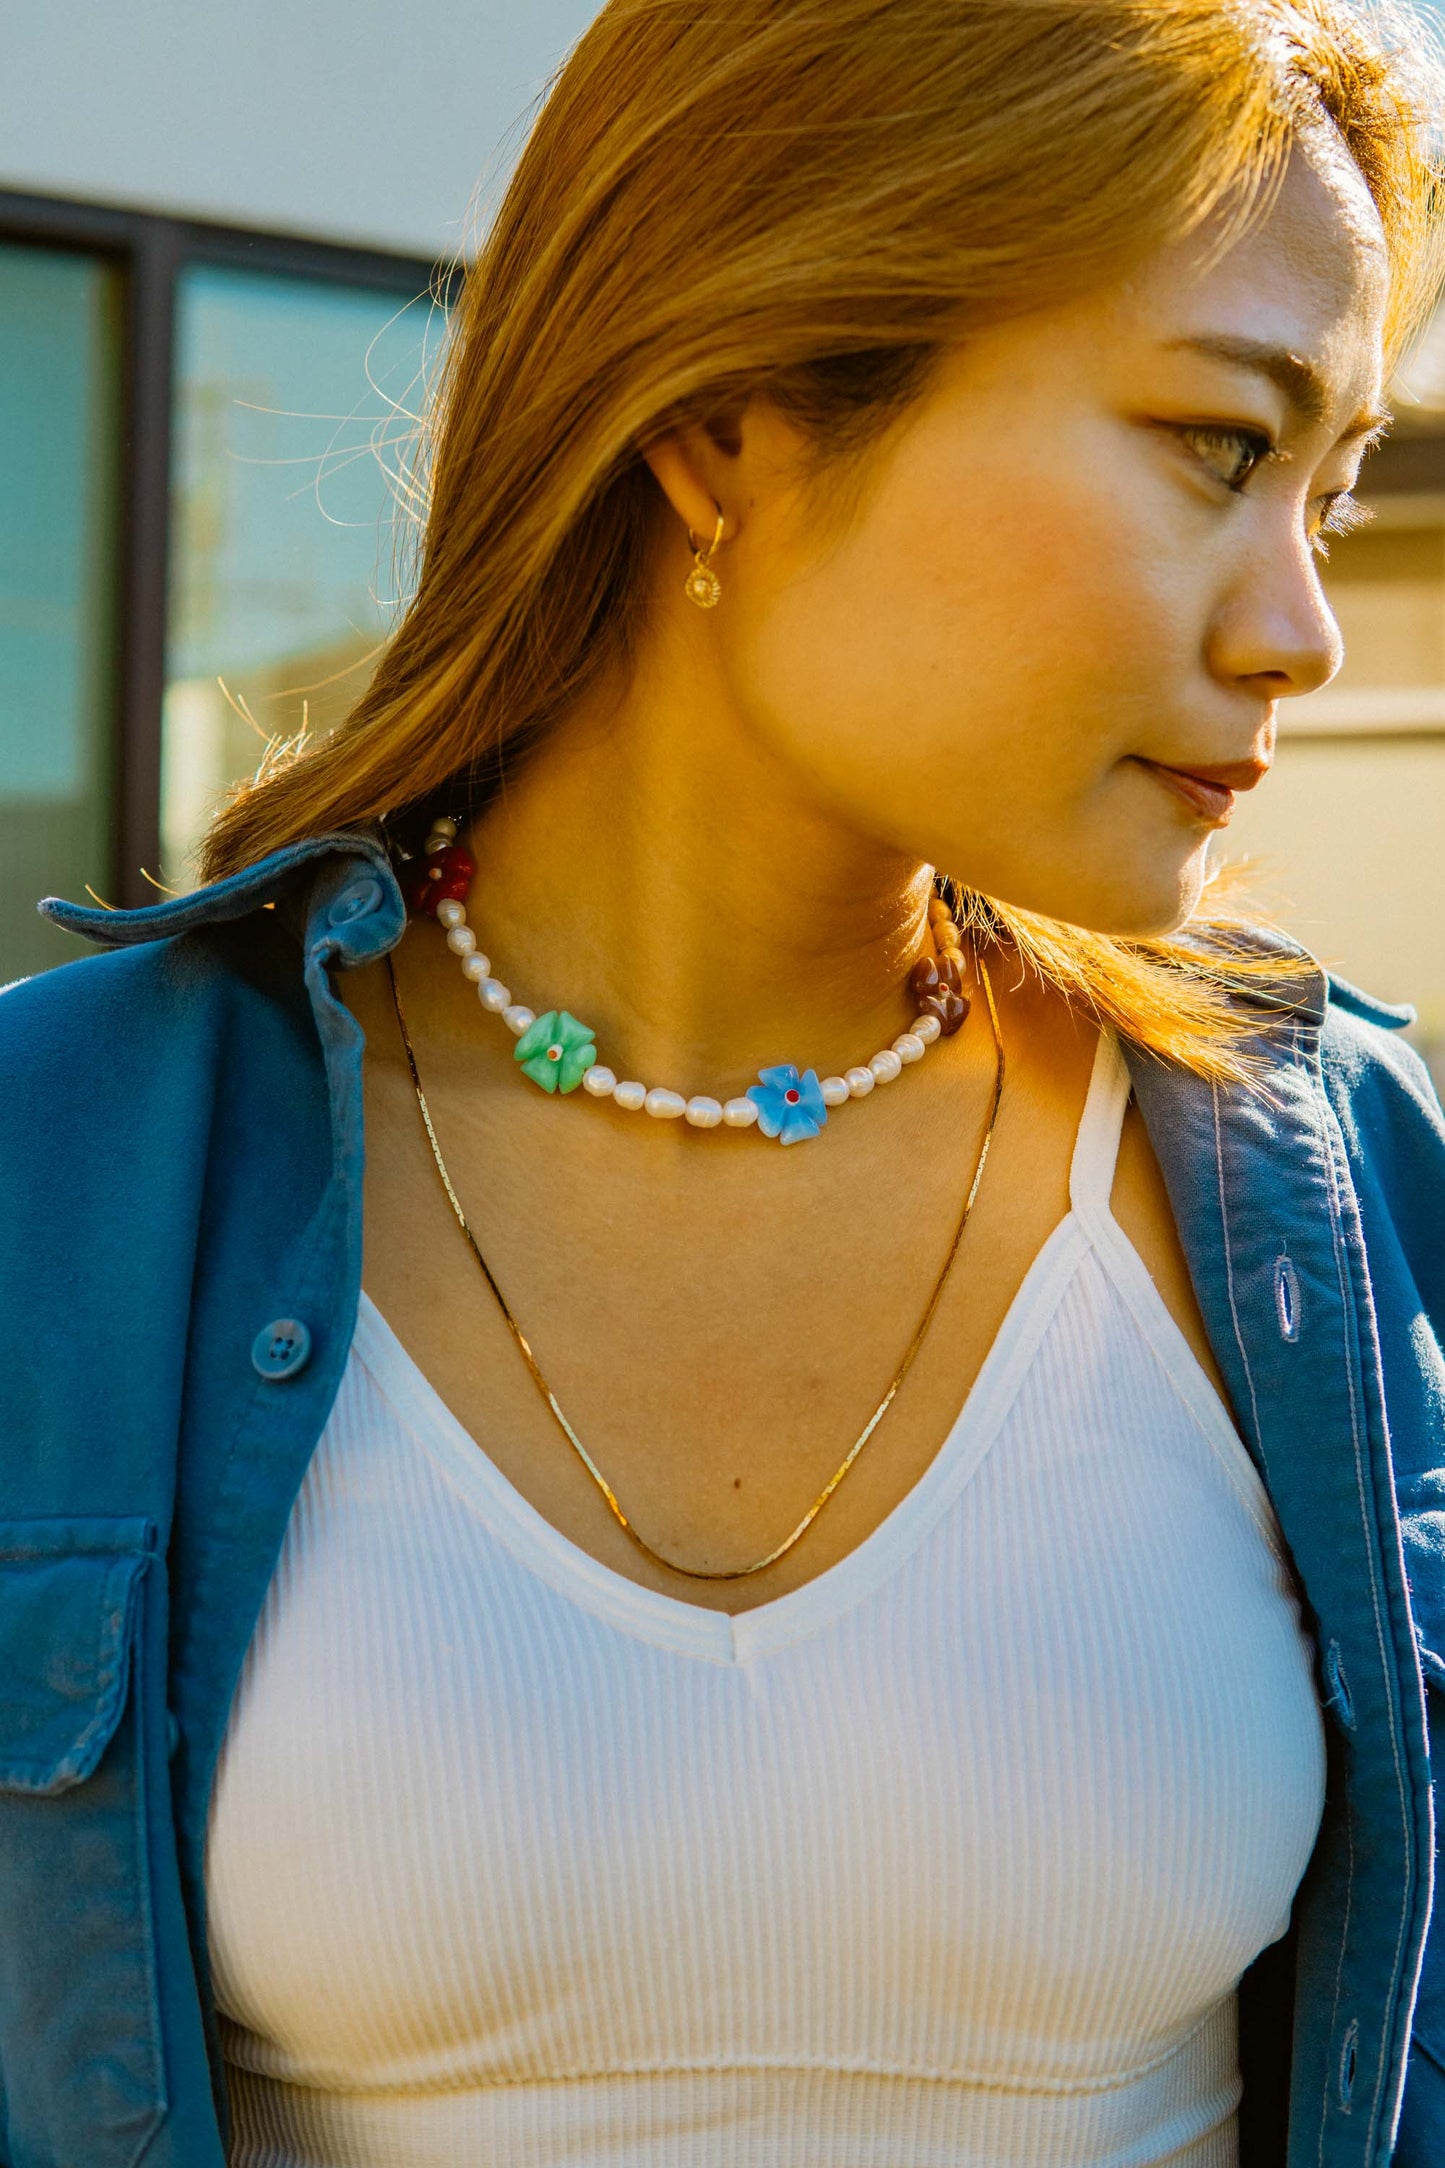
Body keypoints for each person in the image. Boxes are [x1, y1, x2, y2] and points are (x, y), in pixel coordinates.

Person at [3, 0, 1445, 2162]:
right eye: (1223, 446)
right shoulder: (58, 1176)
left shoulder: (1344, 1186)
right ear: (734, 415)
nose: (1304, 629)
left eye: (1332, 492)